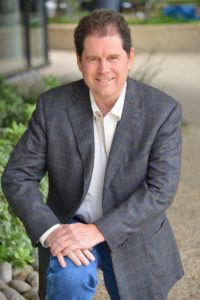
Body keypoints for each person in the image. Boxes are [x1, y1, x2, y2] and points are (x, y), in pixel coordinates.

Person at [1, 8, 184, 300]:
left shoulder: (162, 112)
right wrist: (52, 232)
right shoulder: (54, 107)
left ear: (130, 58)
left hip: (133, 230)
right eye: (93, 59)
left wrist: (98, 230)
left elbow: (161, 189)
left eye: (113, 57)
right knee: (69, 281)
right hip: (71, 228)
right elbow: (17, 176)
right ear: (79, 61)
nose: (104, 70)